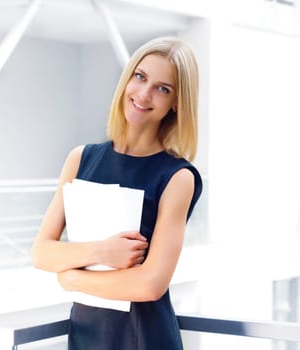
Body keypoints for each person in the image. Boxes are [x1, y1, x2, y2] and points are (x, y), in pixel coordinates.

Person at [31, 36, 202, 350]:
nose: (144, 94)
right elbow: (42, 252)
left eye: (163, 89)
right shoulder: (80, 158)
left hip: (144, 338)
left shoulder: (177, 177)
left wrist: (73, 278)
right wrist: (101, 252)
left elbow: (150, 284)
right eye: (140, 77)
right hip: (85, 336)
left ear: (176, 103)